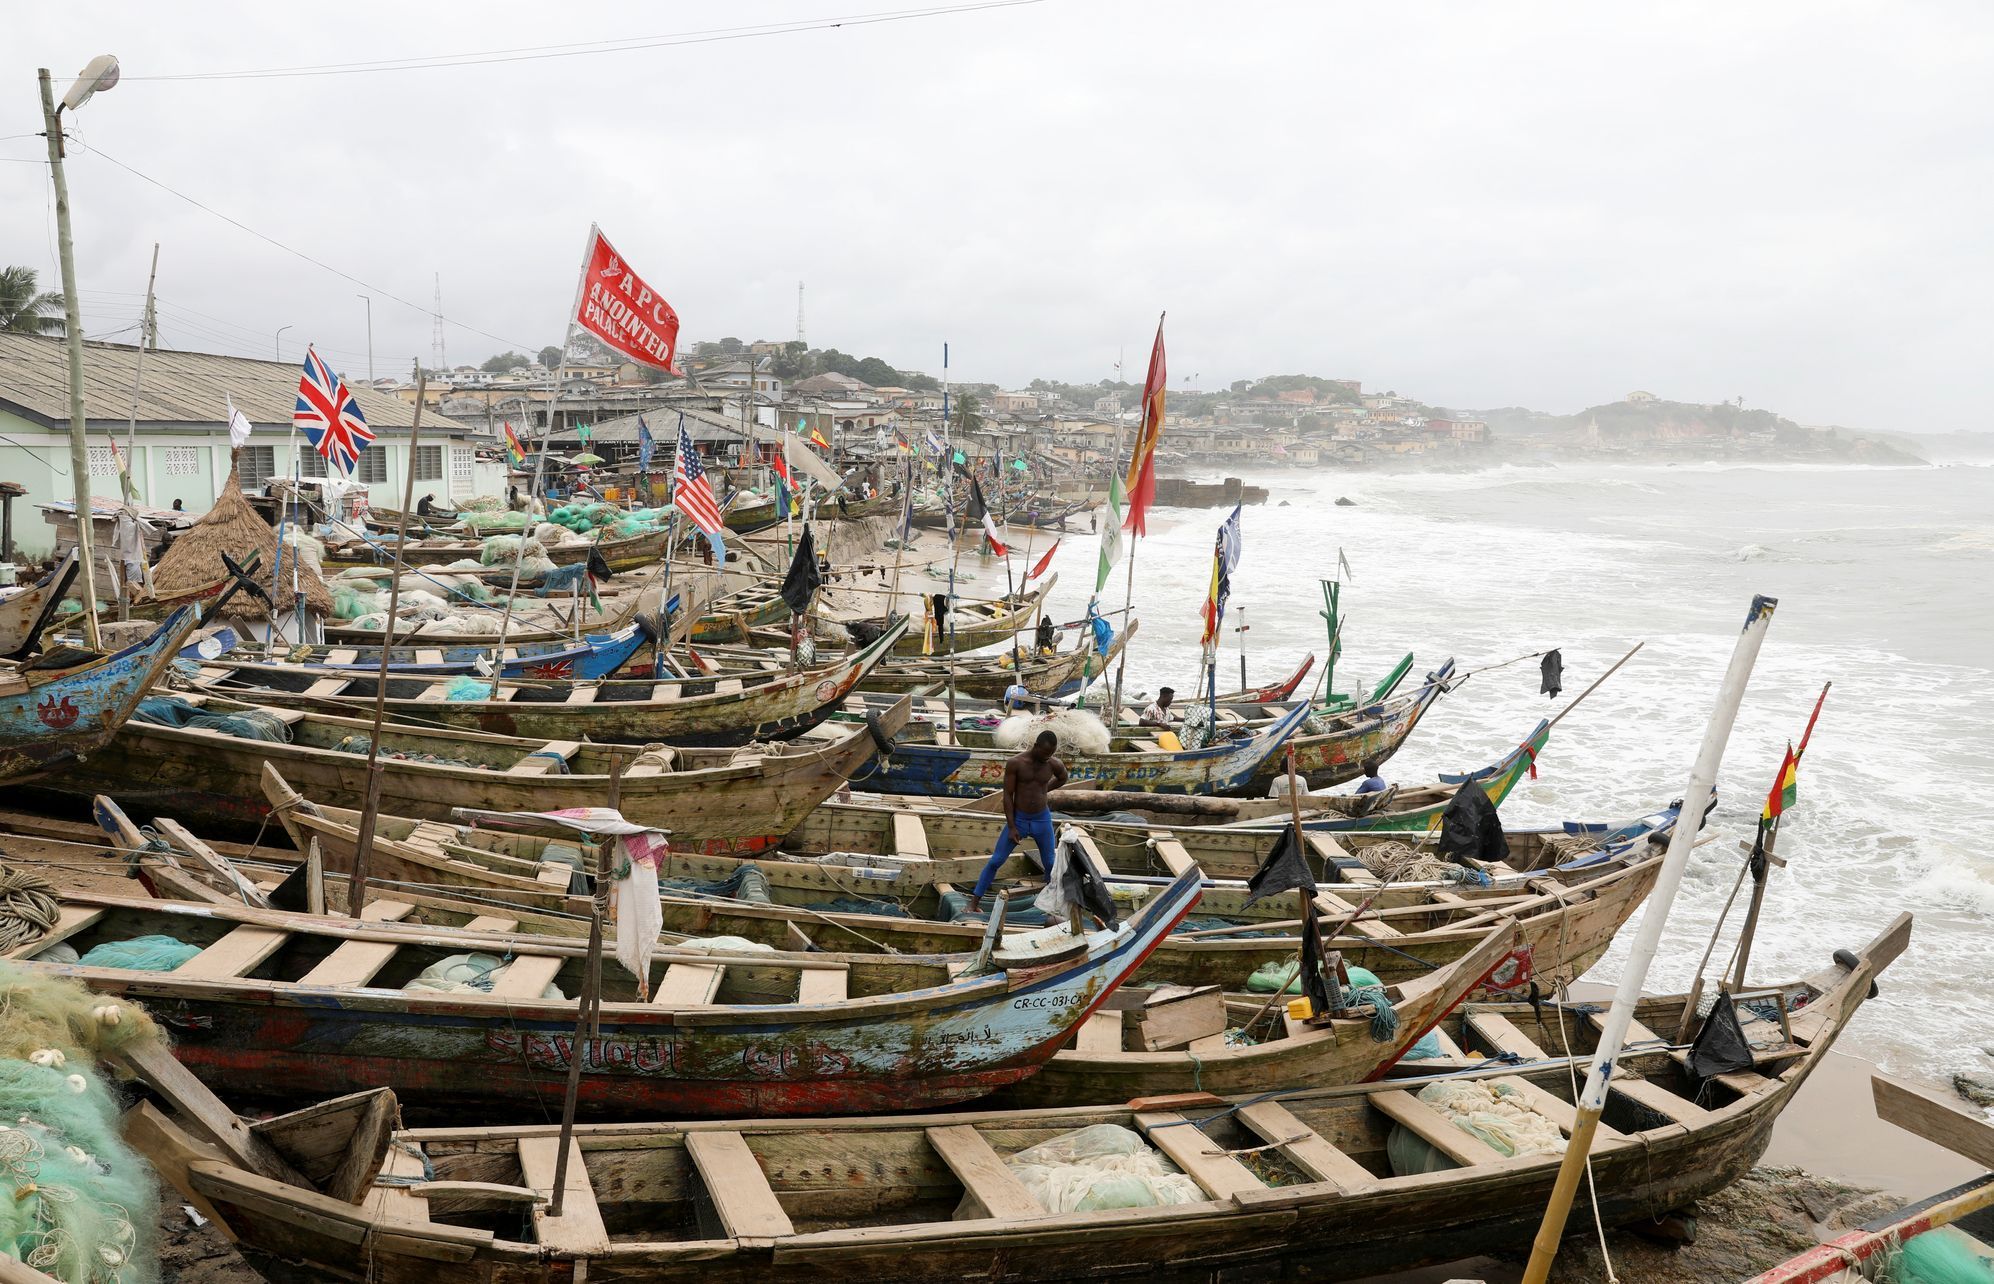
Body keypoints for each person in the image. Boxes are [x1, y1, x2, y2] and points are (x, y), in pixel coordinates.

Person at [967, 730, 1068, 912]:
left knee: (1050, 863)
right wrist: (1012, 826)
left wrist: (1045, 790)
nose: (1047, 758)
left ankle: (1048, 903)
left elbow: (1063, 778)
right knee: (996, 861)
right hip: (1020, 819)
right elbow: (1008, 795)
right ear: (1036, 746)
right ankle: (974, 903)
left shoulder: (1053, 764)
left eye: (1051, 754)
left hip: (1041, 819)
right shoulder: (1016, 763)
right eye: (1045, 753)